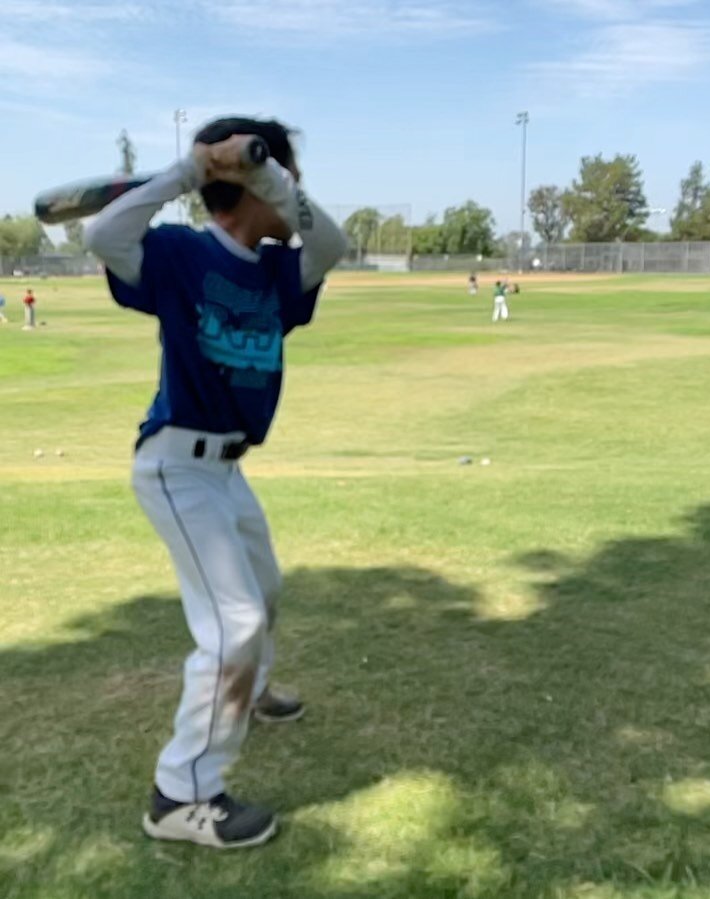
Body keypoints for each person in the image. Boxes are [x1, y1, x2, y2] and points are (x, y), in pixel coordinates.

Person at [84, 116, 347, 850]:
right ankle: (181, 794)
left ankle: (249, 693)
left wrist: (265, 172)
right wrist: (188, 172)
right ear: (242, 187)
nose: (295, 197)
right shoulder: (179, 255)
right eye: (283, 182)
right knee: (235, 623)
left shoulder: (275, 273)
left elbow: (332, 243)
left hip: (227, 468)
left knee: (264, 591)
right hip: (176, 465)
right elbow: (102, 238)